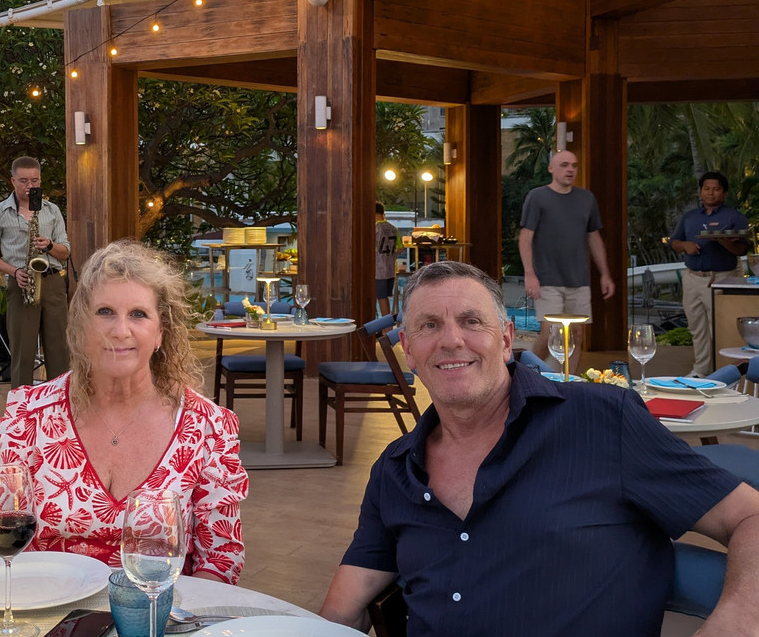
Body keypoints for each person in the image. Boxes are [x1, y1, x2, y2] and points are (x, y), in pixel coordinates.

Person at [320, 260, 759, 636]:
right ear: (408, 350)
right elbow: (341, 611)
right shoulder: (395, 470)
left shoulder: (602, 420)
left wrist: (736, 623)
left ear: (506, 339)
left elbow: (749, 515)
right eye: (429, 325)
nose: (451, 340)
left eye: (472, 321)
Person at [0, 239, 248, 583]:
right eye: (105, 312)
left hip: (155, 608)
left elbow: (221, 559)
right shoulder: (30, 415)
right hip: (42, 604)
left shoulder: (207, 427)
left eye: (138, 314)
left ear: (160, 333)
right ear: (82, 326)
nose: (120, 331)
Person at [0, 157, 70, 386]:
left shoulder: (52, 210)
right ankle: (21, 403)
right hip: (21, 283)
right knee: (22, 352)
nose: (30, 186)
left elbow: (65, 251)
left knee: (59, 350)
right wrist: (14, 271)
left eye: (35, 180)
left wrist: (49, 245)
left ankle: (58, 401)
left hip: (52, 283)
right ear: (13, 181)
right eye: (24, 181)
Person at [518, 149, 614, 362]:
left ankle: (567, 380)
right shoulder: (537, 197)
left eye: (574, 165)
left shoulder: (586, 199)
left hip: (579, 280)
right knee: (550, 334)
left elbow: (594, 238)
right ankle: (527, 373)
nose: (570, 169)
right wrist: (529, 274)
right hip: (547, 279)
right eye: (564, 165)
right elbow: (525, 237)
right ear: (551, 168)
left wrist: (605, 274)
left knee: (576, 336)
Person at [670, 171, 750, 377]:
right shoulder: (690, 217)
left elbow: (742, 250)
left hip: (723, 278)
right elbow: (674, 243)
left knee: (722, 329)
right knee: (697, 328)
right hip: (693, 278)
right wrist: (685, 245)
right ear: (701, 192)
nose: (710, 193)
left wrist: (724, 242)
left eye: (715, 189)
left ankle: (726, 372)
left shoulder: (734, 217)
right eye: (706, 189)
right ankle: (701, 371)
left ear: (724, 193)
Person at [375, 202, 399, 317]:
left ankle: (385, 325)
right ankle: (387, 323)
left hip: (377, 270)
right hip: (390, 269)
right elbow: (401, 247)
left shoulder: (374, 228)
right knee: (384, 297)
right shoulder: (393, 228)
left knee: (380, 297)